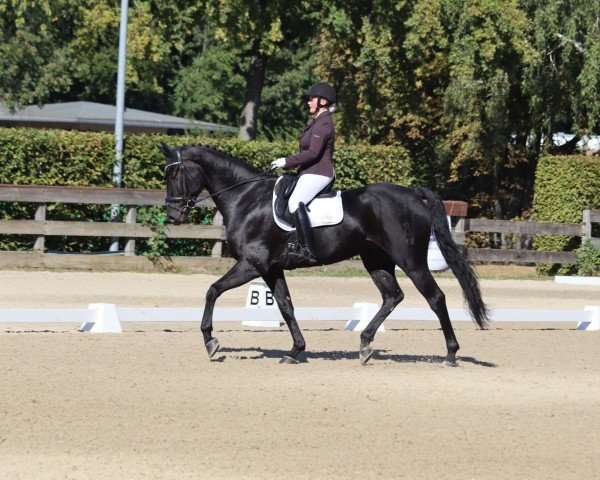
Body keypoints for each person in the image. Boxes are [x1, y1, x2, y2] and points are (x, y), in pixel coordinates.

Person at [270, 81, 337, 264]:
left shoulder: (324, 124)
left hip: (319, 173)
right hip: (308, 172)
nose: (308, 102)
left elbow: (313, 153)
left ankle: (307, 249)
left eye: (311, 99)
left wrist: (286, 161)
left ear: (322, 102)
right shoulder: (316, 122)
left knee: (295, 202)